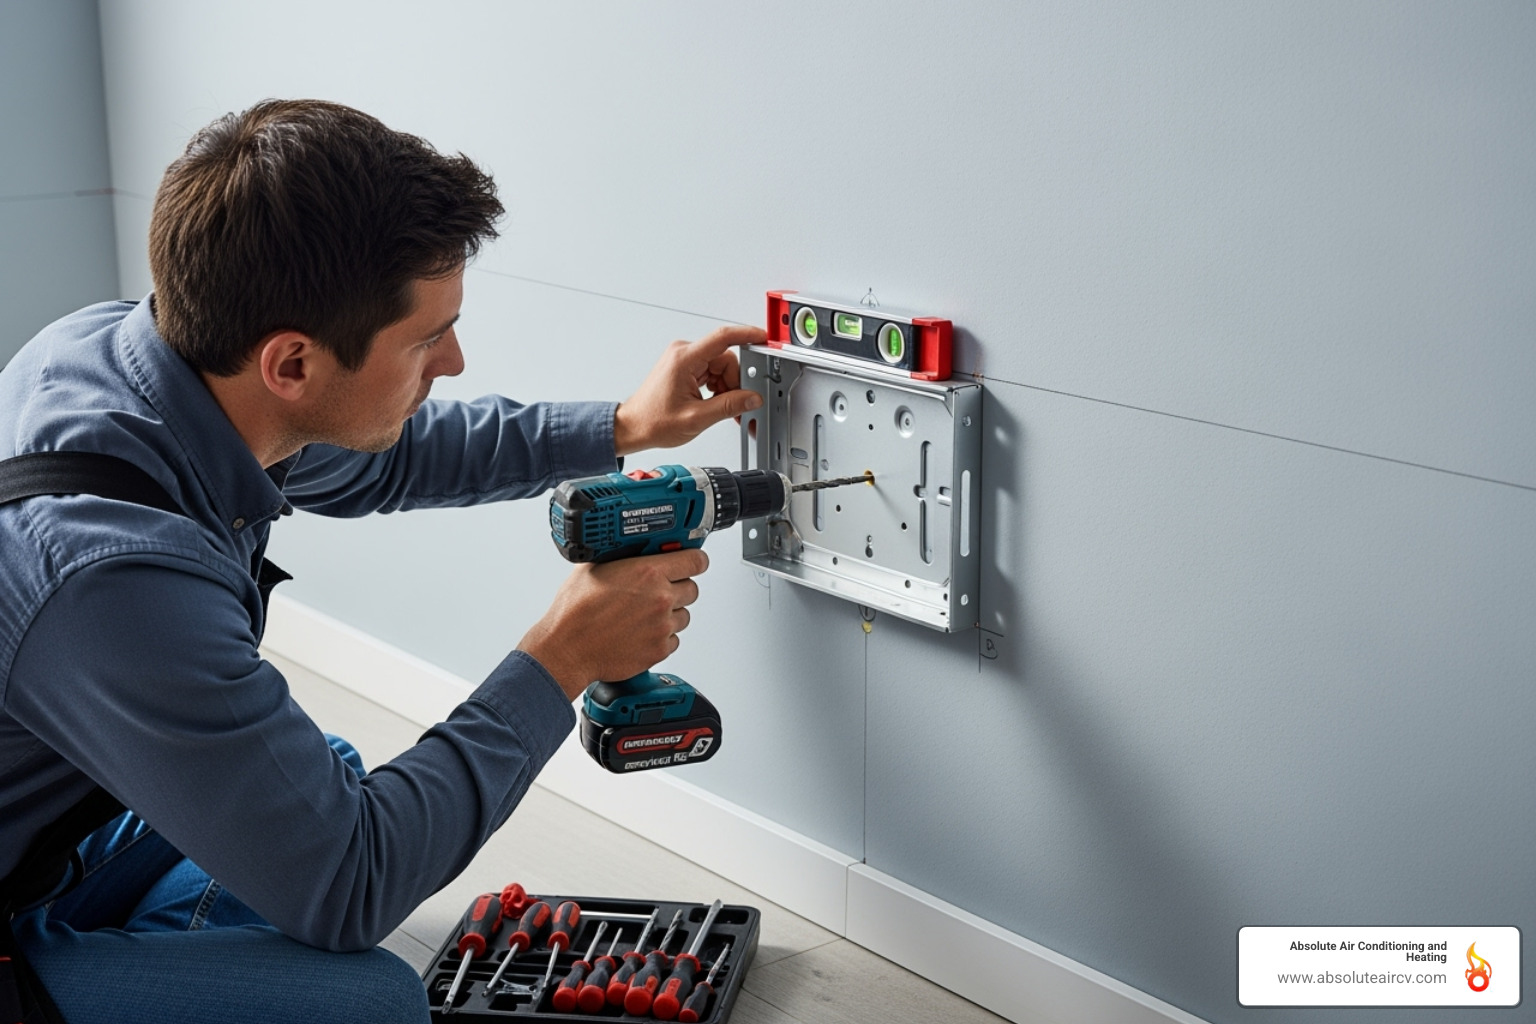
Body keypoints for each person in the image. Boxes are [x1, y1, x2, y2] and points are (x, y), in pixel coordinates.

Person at [0, 99, 763, 1024]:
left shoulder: (136, 354)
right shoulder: (111, 579)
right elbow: (354, 884)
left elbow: (383, 452)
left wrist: (620, 428)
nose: (454, 358)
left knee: (324, 773)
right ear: (294, 364)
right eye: (425, 338)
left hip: (41, 842)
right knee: (367, 1002)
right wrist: (561, 659)